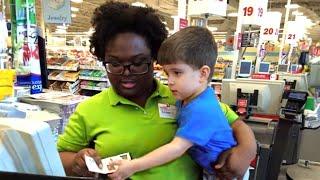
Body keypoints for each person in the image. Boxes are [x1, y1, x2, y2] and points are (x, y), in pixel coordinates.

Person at [57, 1, 256, 179]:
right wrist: (77, 162)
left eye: (138, 62)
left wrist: (247, 151)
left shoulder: (182, 96)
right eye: (115, 63)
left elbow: (236, 124)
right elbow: (59, 156)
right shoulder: (89, 109)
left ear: (154, 60)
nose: (127, 72)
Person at [108, 26, 236, 180]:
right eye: (167, 73)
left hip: (226, 173)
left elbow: (176, 148)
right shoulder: (191, 97)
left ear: (203, 74)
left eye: (177, 73)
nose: (170, 81)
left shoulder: (202, 109)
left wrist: (132, 166)